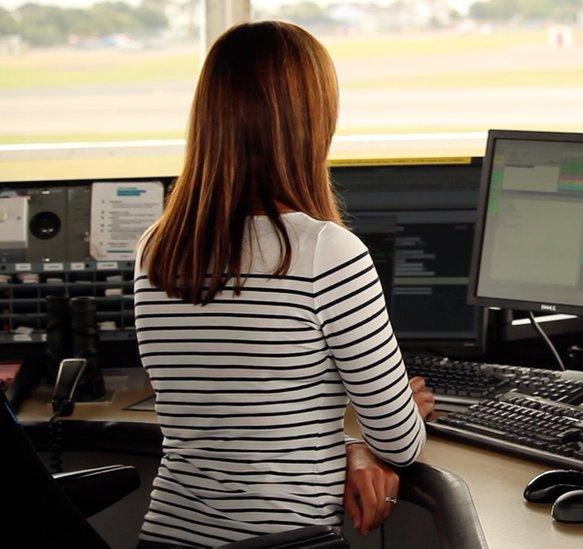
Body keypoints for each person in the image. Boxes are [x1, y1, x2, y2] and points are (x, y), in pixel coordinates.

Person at [133, 21, 435, 548]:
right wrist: (383, 429)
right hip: (280, 542)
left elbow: (242, 420)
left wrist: (343, 439)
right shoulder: (324, 251)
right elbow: (401, 443)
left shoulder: (156, 250)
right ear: (313, 123)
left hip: (166, 537)